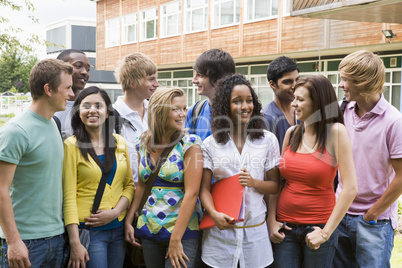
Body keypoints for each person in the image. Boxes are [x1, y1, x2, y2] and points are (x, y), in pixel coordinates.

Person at [267, 75, 358, 268]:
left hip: (319, 227)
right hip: (286, 229)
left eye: (300, 99)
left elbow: (350, 188)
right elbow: (277, 182)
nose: (294, 104)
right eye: (294, 99)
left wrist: (325, 233)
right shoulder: (292, 133)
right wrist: (272, 220)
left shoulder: (336, 132)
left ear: (318, 103)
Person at [199, 74, 281, 268]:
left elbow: (275, 186)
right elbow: (203, 190)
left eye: (249, 101)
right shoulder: (210, 144)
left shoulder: (268, 140)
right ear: (225, 107)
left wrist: (253, 182)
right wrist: (213, 213)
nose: (245, 107)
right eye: (237, 101)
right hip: (219, 242)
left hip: (256, 241)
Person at [0, 58, 74, 268]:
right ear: (48, 89)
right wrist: (14, 241)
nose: (72, 94)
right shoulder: (16, 131)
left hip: (56, 238)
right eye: (67, 88)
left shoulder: (53, 124)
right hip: (26, 243)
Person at [333, 50, 402, 268]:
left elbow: (401, 177)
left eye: (346, 80)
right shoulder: (341, 111)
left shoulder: (394, 121)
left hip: (374, 222)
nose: (341, 85)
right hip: (339, 214)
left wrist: (373, 212)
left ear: (362, 82)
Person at [125, 87, 203, 268]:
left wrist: (175, 239)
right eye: (176, 109)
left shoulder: (189, 144)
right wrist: (129, 221)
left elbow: (193, 193)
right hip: (149, 227)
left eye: (184, 108)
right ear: (158, 112)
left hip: (182, 231)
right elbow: (142, 186)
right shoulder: (142, 142)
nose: (183, 114)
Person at [62, 86, 135, 268]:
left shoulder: (119, 142)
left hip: (117, 230)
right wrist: (74, 242)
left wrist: (116, 212)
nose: (92, 110)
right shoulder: (71, 145)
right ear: (79, 112)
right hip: (89, 231)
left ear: (107, 112)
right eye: (86, 106)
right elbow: (68, 196)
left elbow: (129, 185)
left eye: (98, 106)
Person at [113, 52, 160, 186]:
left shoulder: (157, 112)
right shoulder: (111, 116)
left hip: (157, 198)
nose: (156, 84)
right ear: (133, 82)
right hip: (125, 197)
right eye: (151, 79)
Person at [185, 48, 236, 141]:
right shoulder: (194, 112)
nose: (194, 80)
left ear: (218, 78)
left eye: (200, 75)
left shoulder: (241, 111)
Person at [262, 56, 299, 152]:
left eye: (297, 80)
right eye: (288, 82)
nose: (294, 86)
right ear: (272, 84)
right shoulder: (267, 118)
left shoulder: (302, 112)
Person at [54, 49, 90, 139]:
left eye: (88, 69)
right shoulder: (49, 109)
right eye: (78, 66)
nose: (85, 72)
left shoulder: (91, 108)